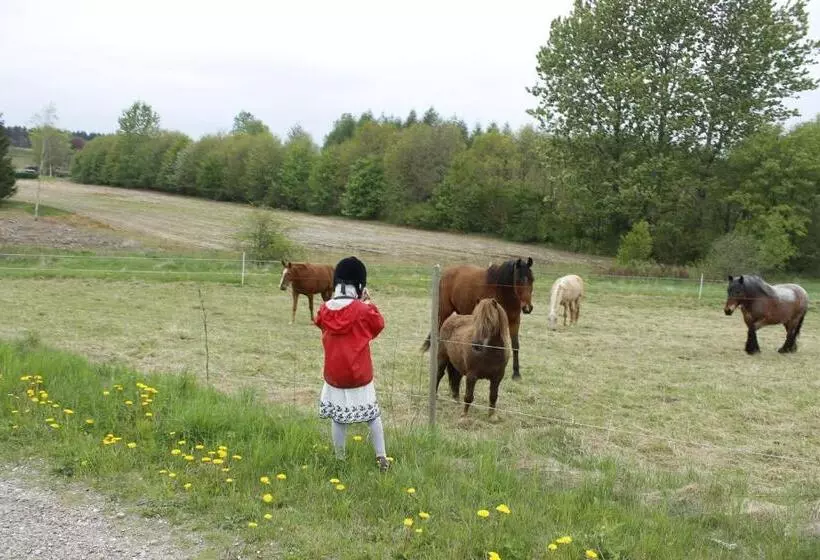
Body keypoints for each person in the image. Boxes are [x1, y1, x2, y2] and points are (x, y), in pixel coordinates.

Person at [314, 256, 389, 472]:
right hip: (359, 375)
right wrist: (367, 303)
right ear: (359, 286)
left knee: (338, 419)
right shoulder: (363, 311)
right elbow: (378, 324)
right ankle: (381, 457)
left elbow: (320, 322)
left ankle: (340, 459)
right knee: (372, 416)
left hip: (334, 374)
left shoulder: (324, 309)